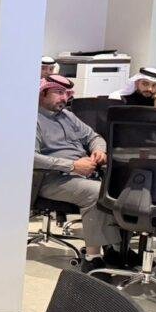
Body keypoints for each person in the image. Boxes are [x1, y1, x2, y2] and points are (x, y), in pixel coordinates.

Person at [36, 74, 122, 271]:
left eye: (67, 93)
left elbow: (94, 137)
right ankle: (93, 258)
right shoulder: (32, 119)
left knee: (122, 186)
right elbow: (30, 157)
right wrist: (73, 166)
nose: (64, 98)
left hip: (83, 172)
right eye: (58, 92)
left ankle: (115, 248)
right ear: (42, 94)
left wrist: (99, 150)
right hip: (50, 178)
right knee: (96, 192)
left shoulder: (68, 116)